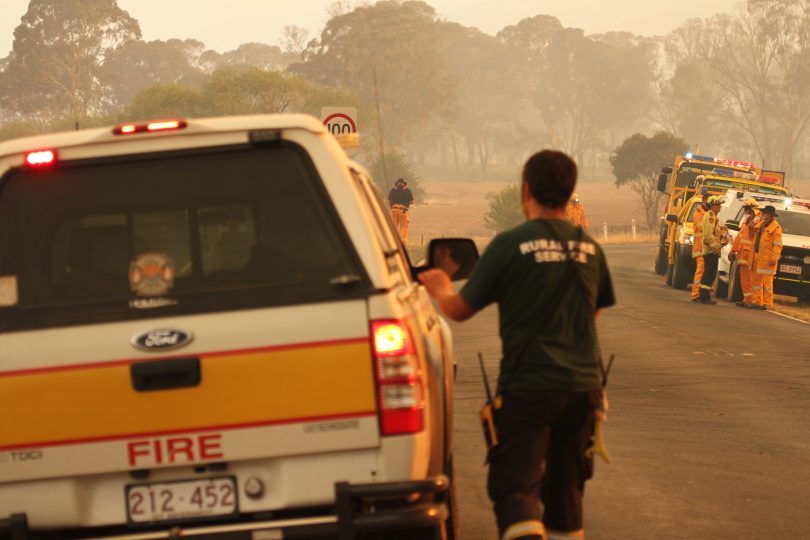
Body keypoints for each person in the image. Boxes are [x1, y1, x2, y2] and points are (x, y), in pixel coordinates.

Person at [418, 150, 615, 540]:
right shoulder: (590, 247)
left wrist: (440, 285)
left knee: (516, 490)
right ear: (569, 191)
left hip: (527, 389)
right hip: (583, 391)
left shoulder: (510, 244)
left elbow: (459, 310)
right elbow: (591, 317)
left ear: (526, 190)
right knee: (567, 497)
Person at [728, 199, 760, 307]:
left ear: (751, 209)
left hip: (751, 256)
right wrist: (733, 250)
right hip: (743, 255)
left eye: (747, 209)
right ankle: (747, 299)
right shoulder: (745, 222)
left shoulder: (757, 221)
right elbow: (739, 238)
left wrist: (752, 225)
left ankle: (751, 300)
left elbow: (753, 236)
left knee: (751, 280)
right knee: (744, 279)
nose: (745, 211)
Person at [750, 205, 783, 310]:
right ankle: (756, 301)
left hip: (767, 260)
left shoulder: (776, 229)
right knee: (756, 282)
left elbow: (777, 245)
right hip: (756, 257)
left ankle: (767, 303)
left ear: (770, 215)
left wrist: (774, 258)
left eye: (764, 213)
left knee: (767, 283)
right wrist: (755, 220)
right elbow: (750, 228)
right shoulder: (761, 225)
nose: (762, 214)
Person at [696, 195, 724, 305]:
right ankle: (704, 297)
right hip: (711, 251)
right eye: (718, 205)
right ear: (713, 205)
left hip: (713, 250)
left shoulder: (713, 217)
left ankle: (704, 295)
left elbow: (715, 233)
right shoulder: (710, 217)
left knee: (709, 273)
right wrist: (714, 247)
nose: (720, 207)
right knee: (709, 274)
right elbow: (708, 235)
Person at [691, 188, 711, 302]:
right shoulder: (699, 214)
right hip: (700, 247)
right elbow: (702, 227)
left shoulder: (708, 214)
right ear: (703, 200)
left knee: (704, 271)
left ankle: (699, 293)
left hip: (705, 247)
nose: (708, 203)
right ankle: (695, 294)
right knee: (700, 270)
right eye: (707, 200)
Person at [388, 178, 414, 244]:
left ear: (397, 184)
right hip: (404, 210)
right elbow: (412, 201)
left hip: (394, 210)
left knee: (393, 226)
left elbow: (389, 201)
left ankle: (390, 241)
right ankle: (402, 243)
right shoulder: (407, 190)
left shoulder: (393, 190)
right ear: (404, 184)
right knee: (403, 228)